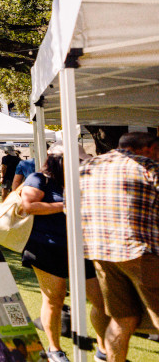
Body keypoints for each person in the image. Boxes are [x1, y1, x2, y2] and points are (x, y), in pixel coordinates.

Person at [20, 145, 108, 362]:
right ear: (60, 161)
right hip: (47, 248)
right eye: (78, 161)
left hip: (85, 247)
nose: (81, 165)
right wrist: (65, 205)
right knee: (54, 299)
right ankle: (54, 349)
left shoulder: (83, 180)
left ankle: (103, 350)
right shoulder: (39, 179)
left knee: (101, 300)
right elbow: (28, 205)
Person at [79, 132, 159, 362]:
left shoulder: (87, 167)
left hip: (100, 253)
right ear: (149, 149)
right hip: (141, 251)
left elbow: (68, 208)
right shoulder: (147, 166)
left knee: (122, 319)